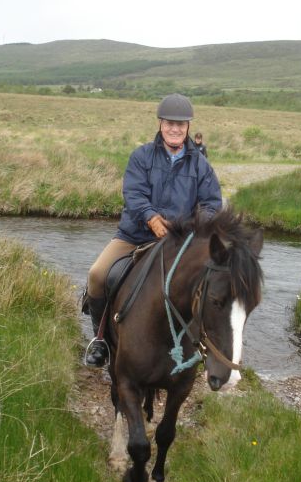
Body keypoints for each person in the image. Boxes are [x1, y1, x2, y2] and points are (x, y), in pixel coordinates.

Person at [84, 94, 223, 367]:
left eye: (181, 125)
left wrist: (189, 227)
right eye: (170, 123)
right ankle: (100, 339)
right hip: (135, 235)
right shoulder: (141, 156)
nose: (175, 129)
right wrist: (151, 218)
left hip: (179, 241)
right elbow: (133, 194)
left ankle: (204, 346)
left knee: (212, 283)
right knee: (98, 275)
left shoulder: (201, 165)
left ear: (188, 127)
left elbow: (211, 204)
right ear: (160, 123)